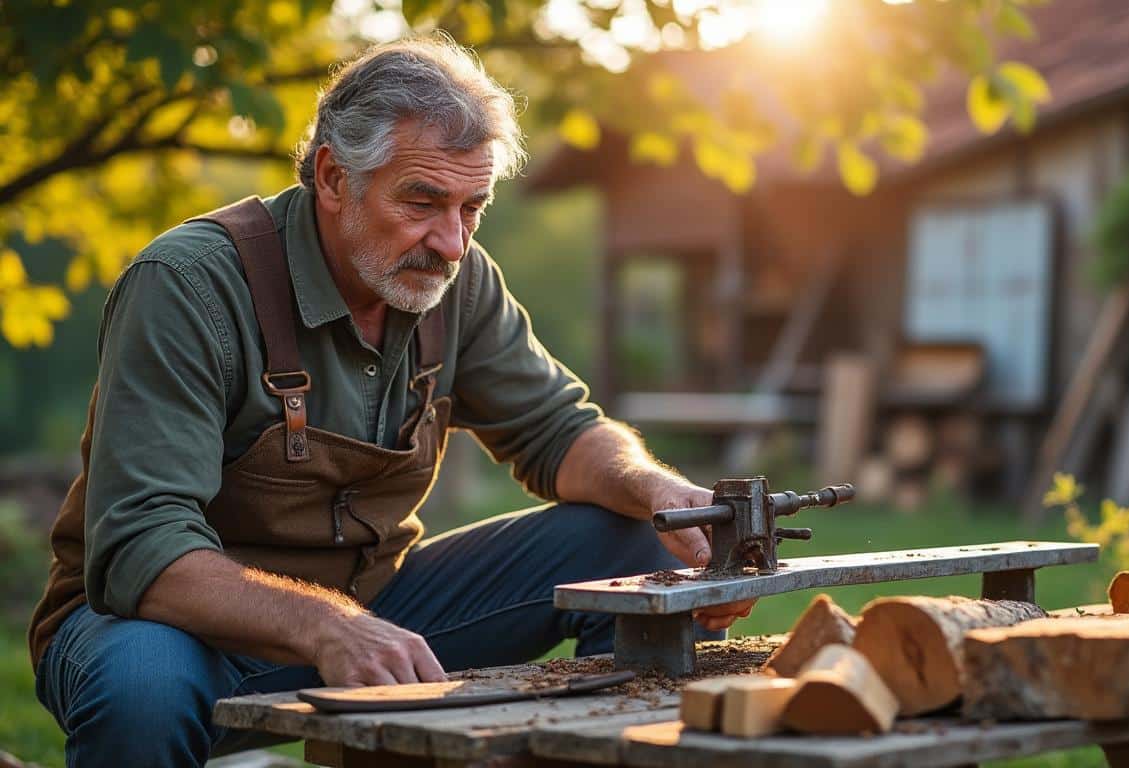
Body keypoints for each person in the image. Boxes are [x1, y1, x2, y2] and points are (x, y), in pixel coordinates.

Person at [29, 37, 754, 767]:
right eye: (422, 201)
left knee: (633, 546)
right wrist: (327, 626)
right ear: (333, 176)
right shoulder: (189, 285)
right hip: (164, 631)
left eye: (474, 206)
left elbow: (557, 429)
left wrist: (658, 491)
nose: (450, 242)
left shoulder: (458, 279)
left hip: (376, 613)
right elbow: (143, 550)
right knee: (144, 690)